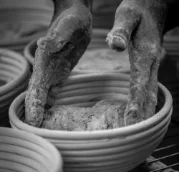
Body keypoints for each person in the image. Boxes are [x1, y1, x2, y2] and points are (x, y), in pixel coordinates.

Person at [25, 0, 179, 127]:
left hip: (142, 27)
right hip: (95, 21)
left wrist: (157, 6)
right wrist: (69, 4)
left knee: (143, 105)